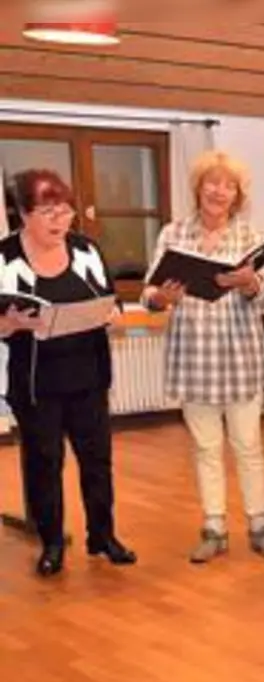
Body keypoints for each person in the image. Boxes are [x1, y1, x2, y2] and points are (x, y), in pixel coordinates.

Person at [142, 150, 264, 564]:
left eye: (229, 185)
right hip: (193, 357)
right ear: (198, 187)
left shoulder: (248, 236)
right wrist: (161, 297)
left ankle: (259, 525)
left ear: (238, 194)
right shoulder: (173, 233)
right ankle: (214, 527)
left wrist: (248, 284)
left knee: (248, 445)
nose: (219, 191)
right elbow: (149, 294)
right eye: (213, 182)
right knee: (206, 447)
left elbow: (262, 293)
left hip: (240, 355)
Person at [0, 168, 136, 576]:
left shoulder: (86, 250)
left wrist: (109, 312)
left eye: (65, 210)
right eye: (47, 211)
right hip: (36, 381)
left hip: (89, 374)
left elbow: (111, 300)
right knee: (44, 462)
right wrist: (13, 325)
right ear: (23, 214)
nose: (60, 220)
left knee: (97, 461)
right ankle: (52, 542)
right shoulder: (4, 258)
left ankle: (103, 535)